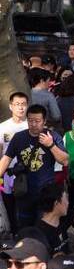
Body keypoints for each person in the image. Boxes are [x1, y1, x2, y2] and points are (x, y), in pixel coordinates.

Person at [0, 104, 69, 228]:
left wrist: (51, 145)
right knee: (25, 227)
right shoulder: (19, 137)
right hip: (24, 192)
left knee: (42, 228)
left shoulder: (52, 136)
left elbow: (64, 161)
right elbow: (6, 160)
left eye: (37, 121)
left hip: (45, 193)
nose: (33, 124)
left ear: (44, 121)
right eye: (30, 120)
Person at [0, 92, 28, 234]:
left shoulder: (32, 125)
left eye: (23, 104)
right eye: (17, 104)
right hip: (8, 173)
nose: (21, 108)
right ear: (11, 106)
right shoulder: (2, 127)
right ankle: (14, 232)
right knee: (9, 204)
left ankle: (26, 232)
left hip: (28, 173)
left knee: (25, 206)